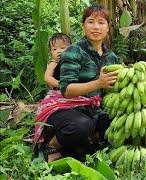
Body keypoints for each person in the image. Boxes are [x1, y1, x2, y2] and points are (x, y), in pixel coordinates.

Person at [34, 4, 120, 162]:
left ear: (108, 27)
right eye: (90, 21)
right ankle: (52, 144)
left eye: (101, 22)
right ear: (83, 26)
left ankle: (84, 143)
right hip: (66, 107)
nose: (96, 27)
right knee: (81, 125)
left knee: (118, 123)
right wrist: (98, 83)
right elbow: (66, 90)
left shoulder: (111, 58)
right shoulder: (73, 51)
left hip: (94, 108)